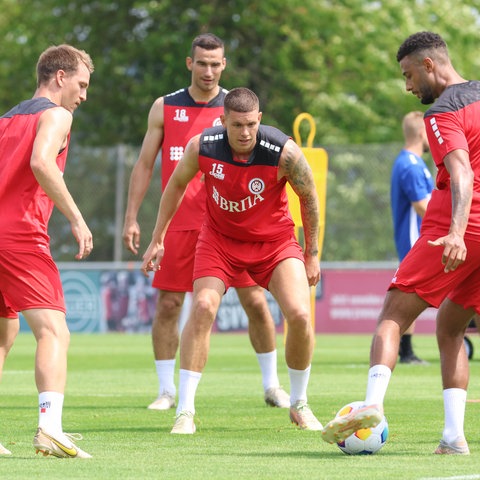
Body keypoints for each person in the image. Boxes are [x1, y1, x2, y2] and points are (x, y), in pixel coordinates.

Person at [321, 31, 480, 455]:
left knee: (392, 314)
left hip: (458, 225)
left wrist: (457, 233)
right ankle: (452, 438)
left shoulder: (444, 111)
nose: (408, 87)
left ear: (429, 65)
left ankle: (371, 405)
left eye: (409, 75)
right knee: (450, 328)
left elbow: (462, 175)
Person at [141, 87, 323, 434]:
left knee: (299, 314)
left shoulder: (283, 152)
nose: (245, 133)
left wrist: (311, 254)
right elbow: (176, 186)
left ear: (260, 120)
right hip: (220, 242)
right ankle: (185, 411)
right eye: (237, 125)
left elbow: (309, 196)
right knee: (204, 307)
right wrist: (157, 238)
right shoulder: (203, 147)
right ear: (222, 120)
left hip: (274, 243)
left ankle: (299, 404)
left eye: (251, 124)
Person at [122, 33, 289, 411]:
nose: (209, 71)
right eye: (202, 63)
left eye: (216, 64)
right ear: (189, 64)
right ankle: (167, 391)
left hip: (230, 223)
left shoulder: (236, 110)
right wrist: (133, 217)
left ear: (224, 65)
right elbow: (145, 164)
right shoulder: (164, 107)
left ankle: (272, 385)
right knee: (168, 304)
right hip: (180, 222)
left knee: (256, 303)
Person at [0, 45, 94, 458]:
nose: (84, 95)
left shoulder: (5, 118)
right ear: (60, 77)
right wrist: (76, 216)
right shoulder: (57, 115)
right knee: (54, 331)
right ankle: (50, 429)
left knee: (4, 333)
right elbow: (42, 162)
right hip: (19, 235)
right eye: (82, 84)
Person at [391, 111, 433, 364]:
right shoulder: (410, 165)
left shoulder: (414, 163)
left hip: (420, 239)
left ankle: (405, 350)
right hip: (417, 239)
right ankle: (404, 351)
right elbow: (422, 206)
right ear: (420, 132)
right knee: (408, 296)